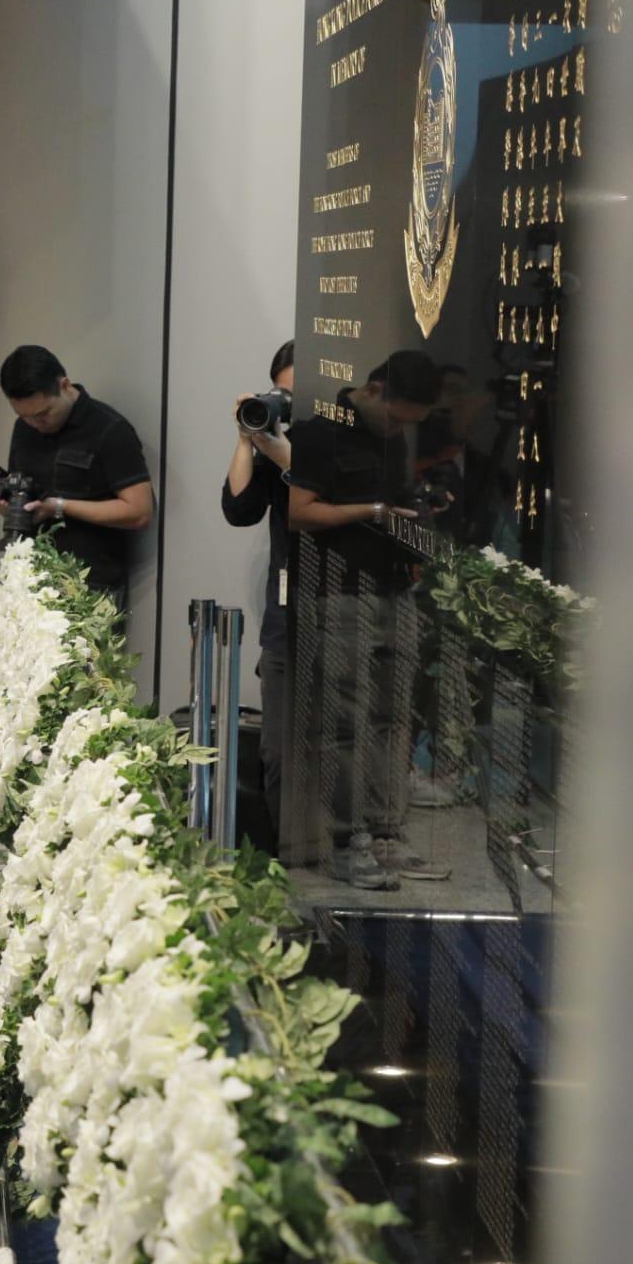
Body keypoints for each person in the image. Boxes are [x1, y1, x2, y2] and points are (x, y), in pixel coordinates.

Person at [286, 349, 449, 889]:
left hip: (395, 589)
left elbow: (397, 502)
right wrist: (372, 513)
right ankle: (346, 840)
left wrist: (417, 519)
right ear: (375, 389)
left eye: (411, 423)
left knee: (393, 717)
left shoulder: (393, 439)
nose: (402, 428)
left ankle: (386, 834)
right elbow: (300, 512)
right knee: (346, 723)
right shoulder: (319, 431)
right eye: (398, 416)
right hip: (341, 595)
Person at [0, 344, 155, 609]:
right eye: (24, 417)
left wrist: (60, 507)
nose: (36, 424)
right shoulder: (24, 428)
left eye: (43, 414)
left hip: (90, 584)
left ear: (65, 386)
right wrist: (5, 502)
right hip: (30, 575)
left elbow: (139, 511)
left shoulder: (109, 429)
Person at [221, 340, 295, 846]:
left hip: (345, 608)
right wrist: (249, 436)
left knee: (343, 748)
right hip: (286, 618)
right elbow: (239, 508)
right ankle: (288, 857)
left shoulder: (351, 444)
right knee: (280, 751)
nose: (289, 406)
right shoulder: (273, 445)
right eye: (281, 395)